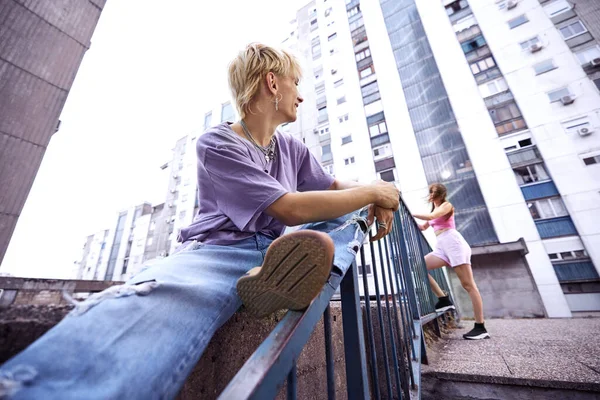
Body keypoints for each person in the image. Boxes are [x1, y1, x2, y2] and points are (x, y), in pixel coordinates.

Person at [0, 43, 400, 399]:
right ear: (273, 83)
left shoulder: (291, 147)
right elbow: (290, 209)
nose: (302, 93)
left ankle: (278, 279)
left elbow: (332, 186)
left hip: (281, 250)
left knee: (349, 212)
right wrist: (375, 193)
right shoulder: (217, 143)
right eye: (296, 82)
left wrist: (376, 191)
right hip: (219, 252)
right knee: (161, 299)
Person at [413, 183, 489, 340]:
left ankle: (480, 327)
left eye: (434, 192)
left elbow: (432, 217)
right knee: (419, 267)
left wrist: (410, 211)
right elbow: (423, 226)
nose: (432, 195)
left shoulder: (446, 206)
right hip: (441, 246)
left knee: (468, 285)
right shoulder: (433, 210)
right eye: (430, 192)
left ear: (441, 194)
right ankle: (443, 299)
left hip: (453, 243)